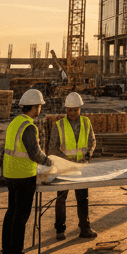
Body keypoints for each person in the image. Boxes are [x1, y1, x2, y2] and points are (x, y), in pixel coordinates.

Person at [1, 89, 53, 254]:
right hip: (23, 175)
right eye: (39, 106)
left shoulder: (15, 122)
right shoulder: (29, 127)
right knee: (21, 216)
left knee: (11, 213)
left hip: (9, 173)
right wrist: (49, 162)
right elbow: (34, 153)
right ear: (35, 107)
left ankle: (7, 253)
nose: (40, 109)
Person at [48, 91, 97, 241]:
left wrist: (90, 152)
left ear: (80, 109)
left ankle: (85, 228)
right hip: (64, 169)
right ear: (66, 110)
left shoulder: (86, 123)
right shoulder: (59, 125)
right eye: (70, 110)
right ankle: (60, 230)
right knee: (61, 198)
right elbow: (52, 148)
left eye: (76, 110)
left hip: (81, 168)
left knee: (83, 198)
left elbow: (92, 141)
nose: (73, 113)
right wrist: (66, 162)